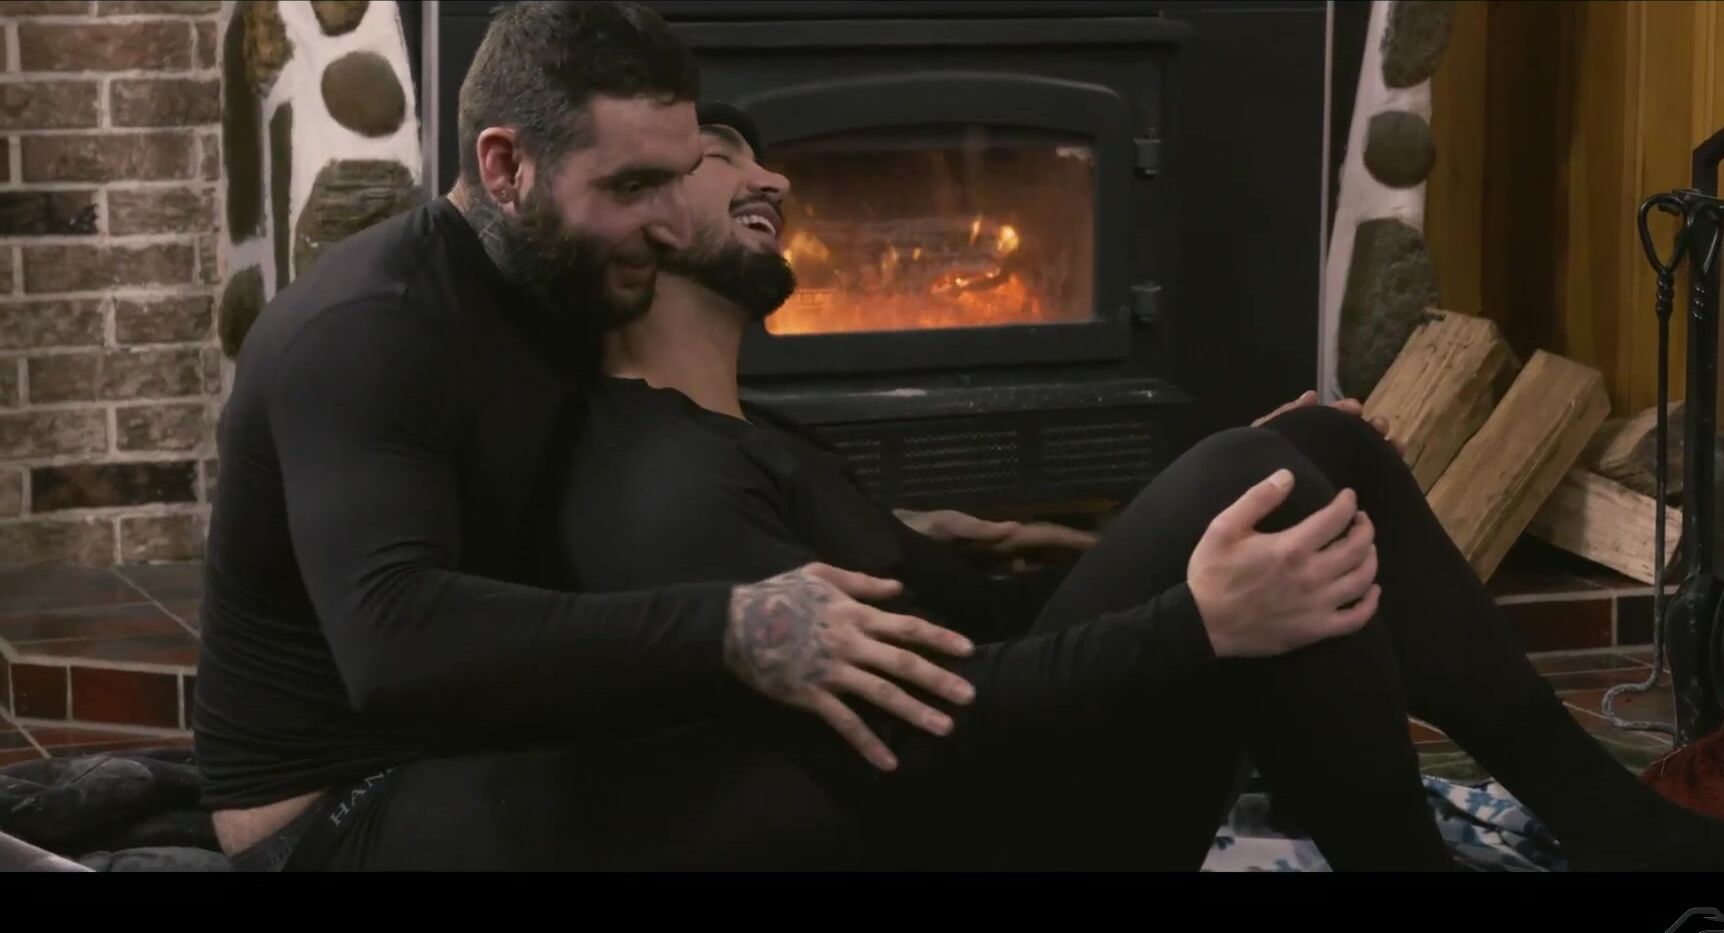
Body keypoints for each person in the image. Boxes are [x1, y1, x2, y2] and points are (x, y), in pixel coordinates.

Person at [190, 1, 1349, 873]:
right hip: (340, 808)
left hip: (488, 730)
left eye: (677, 176)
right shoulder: (372, 332)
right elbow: (395, 645)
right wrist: (734, 624)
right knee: (814, 792)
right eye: (633, 185)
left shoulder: (558, 274)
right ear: (505, 166)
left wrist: (905, 534)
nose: (667, 221)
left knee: (847, 748)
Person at [538, 104, 1724, 872]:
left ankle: (1608, 823)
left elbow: (938, 636)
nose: (770, 178)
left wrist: (1131, 544)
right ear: (641, 218)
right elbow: (908, 754)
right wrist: (1192, 619)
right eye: (720, 159)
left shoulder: (744, 434)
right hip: (973, 841)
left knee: (1314, 451)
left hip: (1008, 777)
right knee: (1262, 489)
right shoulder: (667, 482)